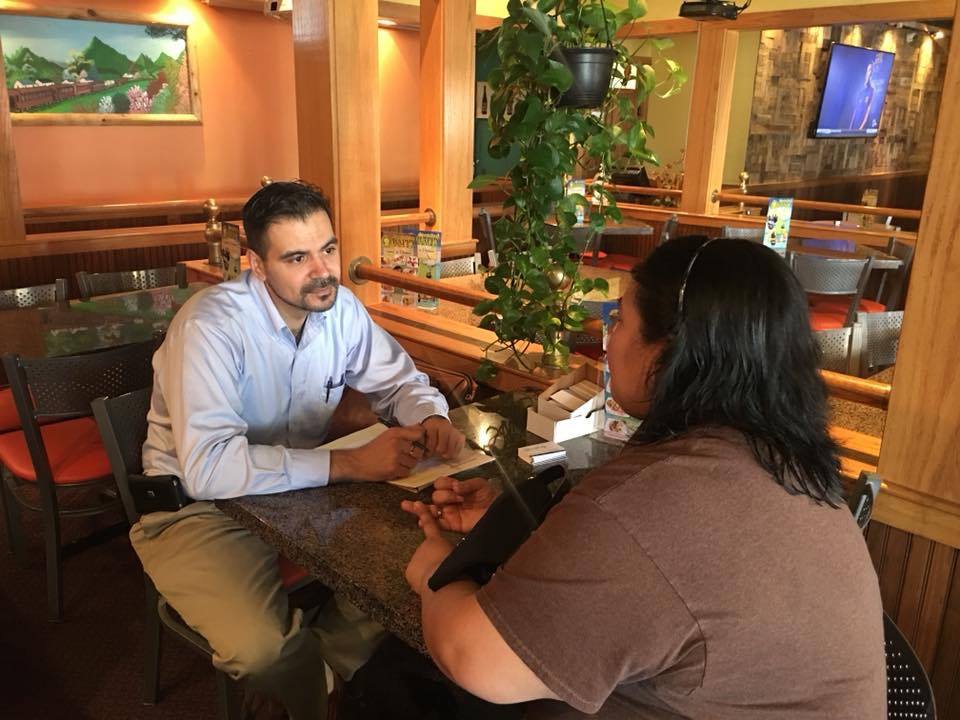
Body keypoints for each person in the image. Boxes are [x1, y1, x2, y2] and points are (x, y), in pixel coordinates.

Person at [402, 236, 886, 718]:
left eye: (619, 321)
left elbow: (475, 657)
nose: (607, 340)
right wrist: (523, 530)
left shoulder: (655, 500)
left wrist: (434, 573)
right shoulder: (796, 469)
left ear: (667, 354)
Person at [131, 180, 464, 720]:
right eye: (297, 257)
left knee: (429, 558)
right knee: (260, 652)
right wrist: (350, 463)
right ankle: (312, 686)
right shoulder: (210, 326)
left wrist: (431, 416)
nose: (323, 270)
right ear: (257, 265)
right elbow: (209, 470)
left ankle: (316, 670)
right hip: (200, 510)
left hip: (304, 497)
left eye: (328, 248)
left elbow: (400, 382)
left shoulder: (340, 309)